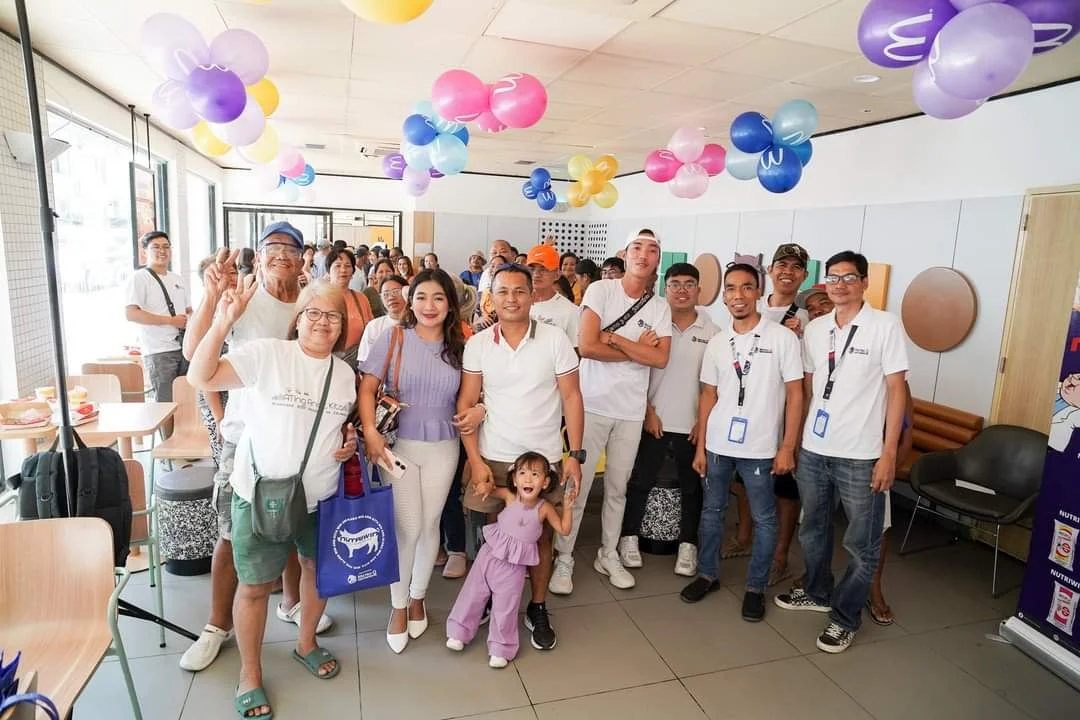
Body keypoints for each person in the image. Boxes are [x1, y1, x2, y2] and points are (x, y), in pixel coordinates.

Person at [188, 280, 357, 720]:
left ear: (342, 326)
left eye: (332, 316)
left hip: (319, 494)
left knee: (316, 571)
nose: (323, 322)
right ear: (297, 319)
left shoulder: (344, 375)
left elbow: (333, 427)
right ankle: (250, 672)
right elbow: (199, 376)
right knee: (256, 586)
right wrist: (223, 319)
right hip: (260, 492)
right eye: (313, 313)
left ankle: (306, 644)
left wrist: (347, 441)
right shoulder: (267, 355)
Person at [178, 223, 334, 674]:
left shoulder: (310, 301)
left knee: (290, 517)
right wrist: (214, 299)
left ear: (304, 257)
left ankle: (289, 602)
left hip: (300, 434)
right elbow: (195, 355)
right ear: (259, 255)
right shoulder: (244, 295)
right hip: (245, 435)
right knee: (233, 531)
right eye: (272, 247)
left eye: (291, 247)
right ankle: (215, 625)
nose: (281, 254)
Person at [775, 251, 908, 654]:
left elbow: (896, 390)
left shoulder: (885, 326)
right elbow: (810, 389)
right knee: (812, 529)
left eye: (849, 277)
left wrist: (888, 455)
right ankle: (817, 591)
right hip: (815, 449)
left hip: (862, 453)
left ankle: (845, 616)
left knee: (862, 544)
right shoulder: (816, 329)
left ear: (864, 282)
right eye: (833, 277)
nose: (840, 284)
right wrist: (796, 441)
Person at [458, 263, 585, 650]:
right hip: (495, 456)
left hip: (541, 460)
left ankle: (537, 605)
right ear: (491, 297)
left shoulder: (554, 339)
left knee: (539, 539)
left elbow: (571, 397)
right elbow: (466, 403)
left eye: (519, 291)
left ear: (532, 295)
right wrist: (476, 460)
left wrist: (574, 455)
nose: (511, 298)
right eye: (503, 291)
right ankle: (494, 601)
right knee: (494, 539)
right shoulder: (478, 343)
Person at [551, 228, 671, 593]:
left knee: (618, 487)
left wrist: (615, 338)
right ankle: (564, 557)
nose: (643, 255)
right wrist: (636, 348)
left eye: (652, 249)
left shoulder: (660, 307)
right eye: (637, 247)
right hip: (591, 406)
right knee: (578, 485)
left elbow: (660, 358)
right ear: (626, 252)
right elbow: (587, 346)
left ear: (657, 261)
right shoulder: (601, 290)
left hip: (631, 412)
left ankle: (608, 552)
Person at [680, 264, 803, 621]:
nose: (737, 295)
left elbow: (796, 394)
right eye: (731, 288)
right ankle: (707, 574)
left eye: (746, 288)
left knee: (765, 519)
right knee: (712, 511)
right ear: (724, 295)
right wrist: (701, 446)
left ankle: (755, 586)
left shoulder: (782, 338)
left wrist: (787, 446)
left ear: (758, 292)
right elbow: (708, 395)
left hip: (762, 448)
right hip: (718, 445)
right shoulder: (719, 342)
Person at [359, 268, 465, 654]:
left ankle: (419, 595)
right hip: (397, 445)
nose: (429, 306)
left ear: (450, 304)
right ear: (410, 301)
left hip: (444, 445)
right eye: (421, 297)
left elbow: (472, 394)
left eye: (438, 297)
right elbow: (367, 388)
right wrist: (371, 433)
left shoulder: (460, 344)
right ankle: (398, 605)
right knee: (408, 526)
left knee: (430, 524)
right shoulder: (394, 337)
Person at [619, 263, 718, 577]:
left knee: (692, 488)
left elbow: (711, 386)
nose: (682, 290)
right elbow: (637, 372)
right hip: (652, 420)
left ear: (699, 290)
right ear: (665, 289)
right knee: (639, 482)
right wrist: (648, 412)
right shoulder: (651, 326)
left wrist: (702, 423)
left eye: (689, 284)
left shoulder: (713, 333)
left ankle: (688, 545)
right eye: (675, 284)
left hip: (691, 424)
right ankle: (629, 537)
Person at [724, 244, 812, 569]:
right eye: (782, 265)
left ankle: (780, 555)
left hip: (786, 415)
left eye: (796, 267)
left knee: (785, 489)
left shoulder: (807, 319)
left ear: (804, 274)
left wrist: (795, 436)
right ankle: (744, 536)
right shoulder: (751, 306)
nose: (787, 272)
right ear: (770, 272)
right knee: (745, 480)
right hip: (750, 415)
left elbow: (805, 381)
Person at [446, 452, 578, 668]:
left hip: (514, 566)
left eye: (535, 474)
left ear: (545, 482)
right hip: (489, 555)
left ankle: (501, 647)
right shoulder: (509, 496)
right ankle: (459, 631)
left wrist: (569, 507)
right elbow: (489, 490)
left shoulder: (544, 508)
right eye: (523, 473)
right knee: (472, 593)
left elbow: (564, 529)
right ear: (514, 478)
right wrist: (483, 486)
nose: (528, 479)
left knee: (506, 605)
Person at [125, 231, 192, 437]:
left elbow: (188, 310)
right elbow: (131, 313)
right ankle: (169, 450)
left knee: (186, 398)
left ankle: (185, 441)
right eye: (156, 247)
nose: (162, 251)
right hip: (159, 350)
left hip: (184, 346)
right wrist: (170, 321)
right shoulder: (140, 277)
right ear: (145, 252)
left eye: (166, 246)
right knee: (165, 402)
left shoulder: (177, 278)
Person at [194, 255, 237, 465]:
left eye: (234, 272)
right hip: (215, 398)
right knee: (224, 457)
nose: (231, 278)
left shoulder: (239, 306)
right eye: (223, 274)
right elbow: (206, 378)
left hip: (237, 395)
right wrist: (219, 416)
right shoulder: (209, 315)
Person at [325, 246, 375, 371]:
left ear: (353, 272)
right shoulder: (319, 298)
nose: (343, 270)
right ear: (328, 271)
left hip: (355, 367)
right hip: (326, 365)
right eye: (337, 265)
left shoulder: (360, 298)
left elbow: (370, 332)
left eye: (348, 266)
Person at [526, 244, 580, 347]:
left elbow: (575, 351)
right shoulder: (517, 304)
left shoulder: (570, 311)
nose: (536, 274)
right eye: (532, 269)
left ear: (557, 274)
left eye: (543, 269)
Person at [357, 274, 407, 364]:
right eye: (386, 294)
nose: (391, 297)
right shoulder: (373, 326)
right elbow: (364, 362)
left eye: (396, 292)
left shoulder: (418, 325)